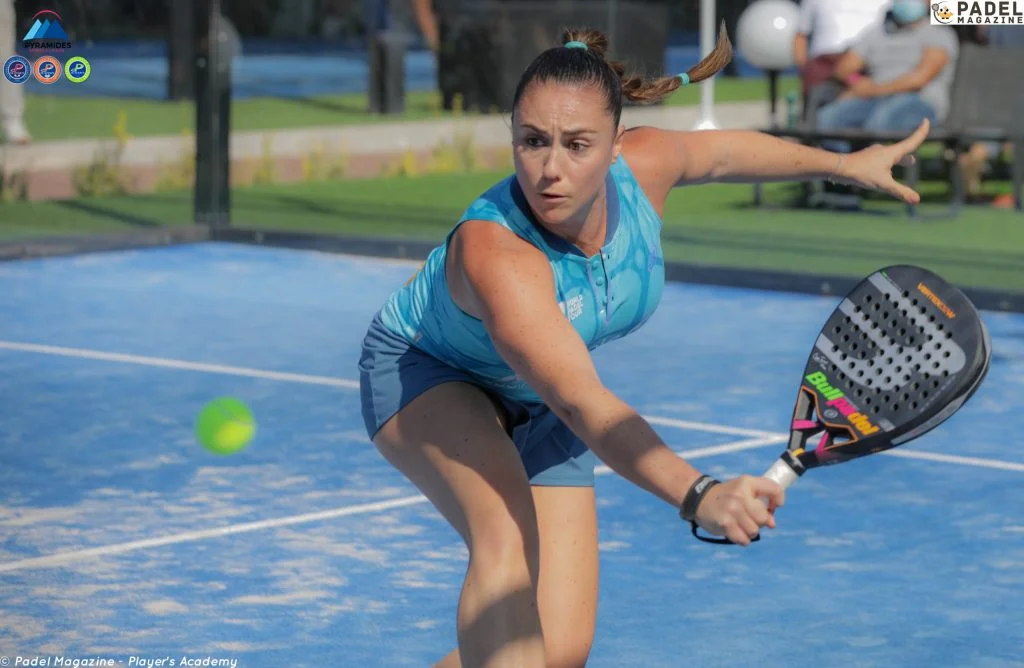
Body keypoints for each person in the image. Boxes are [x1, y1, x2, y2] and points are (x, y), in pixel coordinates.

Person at [358, 26, 928, 668]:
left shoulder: (644, 169)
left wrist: (843, 163)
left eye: (577, 145)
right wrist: (698, 492)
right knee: (504, 537)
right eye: (531, 141)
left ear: (617, 145)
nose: (550, 168)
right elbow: (581, 403)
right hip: (429, 373)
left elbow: (722, 154)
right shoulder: (499, 253)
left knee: (561, 648)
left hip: (538, 391)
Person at [815, 0, 958, 142]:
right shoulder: (876, 32)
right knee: (828, 118)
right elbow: (843, 69)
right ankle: (842, 162)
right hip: (872, 100)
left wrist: (872, 90)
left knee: (880, 121)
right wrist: (856, 82)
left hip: (918, 101)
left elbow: (919, 79)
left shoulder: (939, 34)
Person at [792, 0, 890, 116]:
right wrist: (805, 69)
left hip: (867, 68)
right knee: (818, 117)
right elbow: (800, 36)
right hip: (824, 67)